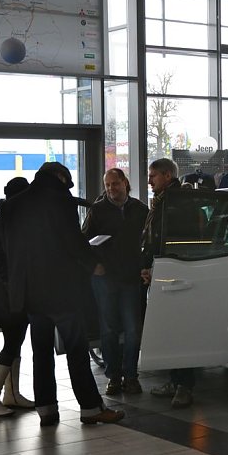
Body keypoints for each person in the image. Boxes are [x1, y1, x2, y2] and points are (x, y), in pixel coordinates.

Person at [0, 161, 124, 427]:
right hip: (60, 290)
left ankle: (46, 409)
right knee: (76, 350)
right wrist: (94, 264)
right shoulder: (60, 202)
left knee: (41, 352)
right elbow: (73, 241)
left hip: (29, 292)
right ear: (59, 177)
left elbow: (8, 250)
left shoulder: (14, 205)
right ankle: (90, 407)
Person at [82, 168, 149, 396]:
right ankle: (113, 377)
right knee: (108, 329)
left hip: (131, 278)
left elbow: (148, 241)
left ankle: (131, 376)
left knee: (133, 329)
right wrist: (94, 265)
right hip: (105, 278)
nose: (111, 189)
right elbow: (83, 241)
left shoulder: (140, 210)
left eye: (115, 184)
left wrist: (145, 266)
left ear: (125, 183)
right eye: (107, 185)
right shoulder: (98, 210)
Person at [140, 157, 195, 409]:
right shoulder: (162, 201)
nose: (149, 181)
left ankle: (184, 384)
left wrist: (159, 265)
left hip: (175, 271)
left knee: (181, 331)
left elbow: (177, 240)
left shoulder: (178, 203)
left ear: (167, 176)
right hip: (162, 270)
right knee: (169, 330)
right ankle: (175, 380)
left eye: (153, 176)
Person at [0, 176, 34, 416]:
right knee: (12, 343)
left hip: (13, 292)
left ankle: (11, 394)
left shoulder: (10, 218)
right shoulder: (3, 220)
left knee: (15, 342)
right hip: (7, 294)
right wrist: (14, 277)